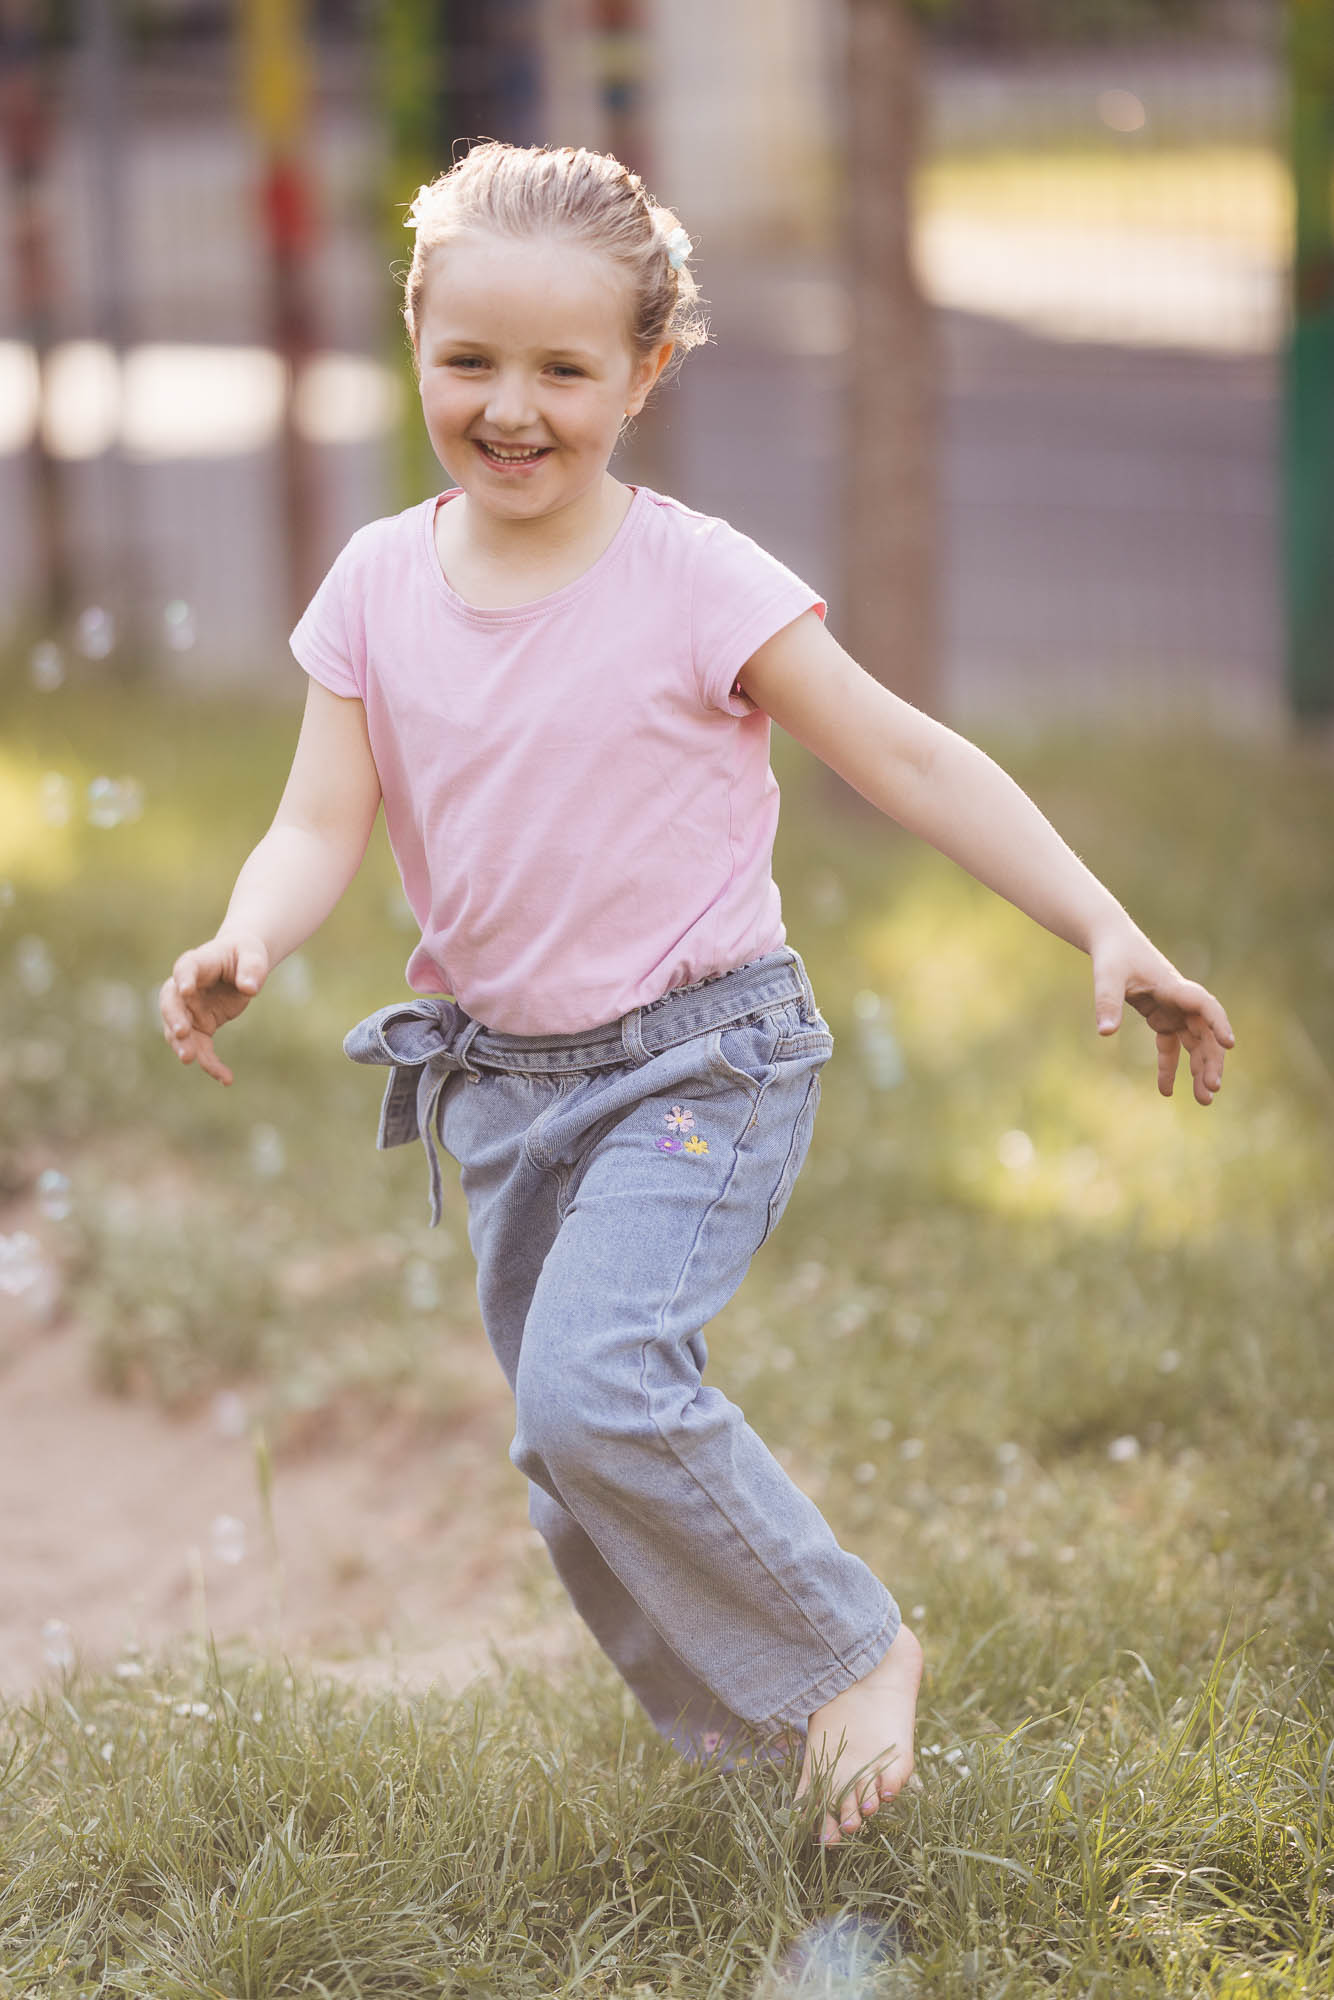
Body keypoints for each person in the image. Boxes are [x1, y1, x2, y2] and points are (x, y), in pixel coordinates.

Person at [159, 141, 1235, 1849]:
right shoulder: (374, 584)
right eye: (470, 362)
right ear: (415, 336)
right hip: (509, 1085)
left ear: (644, 371)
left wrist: (1100, 922)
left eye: (563, 370)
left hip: (700, 1057)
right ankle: (758, 1761)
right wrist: (250, 937)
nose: (512, 408)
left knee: (595, 1387)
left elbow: (902, 751)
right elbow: (316, 818)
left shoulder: (694, 579)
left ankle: (849, 1651)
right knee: (565, 1457)